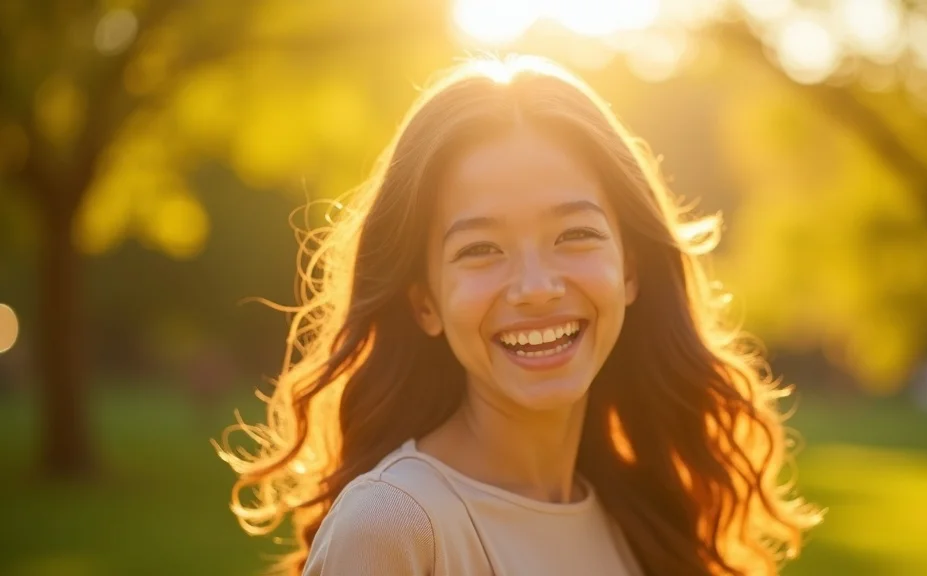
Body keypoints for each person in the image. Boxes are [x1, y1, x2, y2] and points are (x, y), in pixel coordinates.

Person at [217, 55, 820, 576]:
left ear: (630, 269)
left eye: (575, 234)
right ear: (424, 301)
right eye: (481, 249)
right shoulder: (395, 525)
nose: (535, 288)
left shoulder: (640, 514)